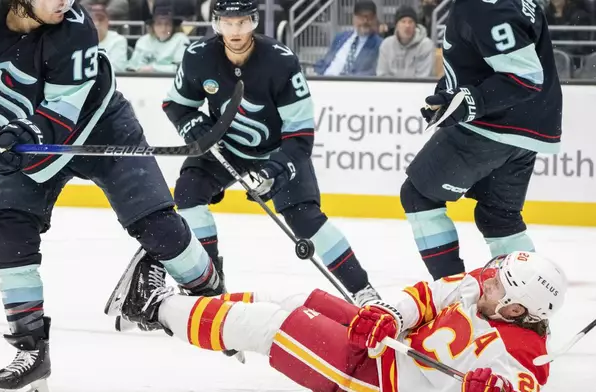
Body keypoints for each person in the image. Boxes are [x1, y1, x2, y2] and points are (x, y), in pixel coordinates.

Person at [0, 0, 224, 389]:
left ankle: (213, 293)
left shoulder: (76, 27)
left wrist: (17, 136)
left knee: (159, 228)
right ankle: (31, 348)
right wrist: (12, 137)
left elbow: (62, 112)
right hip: (29, 147)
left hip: (102, 128)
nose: (65, 1)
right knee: (10, 236)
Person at [162, 0, 381, 306]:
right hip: (226, 147)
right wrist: (193, 125)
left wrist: (274, 171)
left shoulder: (281, 61)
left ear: (253, 22)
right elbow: (176, 104)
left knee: (304, 218)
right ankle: (207, 287)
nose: (235, 30)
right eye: (227, 22)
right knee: (188, 193)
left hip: (278, 152)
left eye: (241, 22)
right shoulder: (198, 56)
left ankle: (363, 291)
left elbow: (300, 137)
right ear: (216, 23)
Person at [119, 250, 566, 392]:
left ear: (515, 311)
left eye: (497, 286)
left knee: (273, 325)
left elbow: (520, 384)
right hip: (386, 350)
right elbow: (427, 296)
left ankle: (153, 306)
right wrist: (388, 315)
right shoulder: (481, 287)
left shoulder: (522, 352)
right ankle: (188, 318)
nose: (486, 278)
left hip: (378, 383)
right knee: (294, 297)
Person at [401, 0, 562, 281]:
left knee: (418, 195)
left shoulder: (481, 5)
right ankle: (529, 307)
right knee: (498, 216)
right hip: (532, 125)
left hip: (495, 124)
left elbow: (524, 76)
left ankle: (454, 294)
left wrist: (470, 103)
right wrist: (449, 96)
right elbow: (489, 57)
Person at [126, 0, 190, 73]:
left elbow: (181, 68)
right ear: (152, 26)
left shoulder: (181, 39)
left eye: (168, 24)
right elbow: (132, 67)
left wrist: (153, 68)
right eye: (159, 24)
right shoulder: (144, 40)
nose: (163, 29)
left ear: (173, 26)